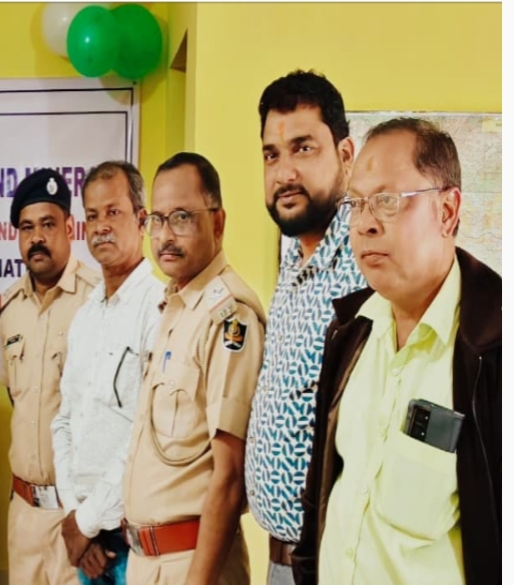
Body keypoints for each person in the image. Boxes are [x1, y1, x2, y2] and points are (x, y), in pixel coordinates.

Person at [293, 118, 500, 585]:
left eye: (387, 201)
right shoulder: (349, 332)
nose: (365, 224)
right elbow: (322, 495)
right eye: (355, 204)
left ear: (447, 211)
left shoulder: (492, 349)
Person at [243, 70, 367, 585]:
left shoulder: (366, 263)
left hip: (333, 564)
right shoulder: (294, 260)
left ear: (345, 155)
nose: (284, 172)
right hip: (282, 560)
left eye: (303, 148)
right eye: (271, 155)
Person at [121, 152, 266, 585]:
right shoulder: (177, 306)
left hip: (193, 564)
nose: (165, 235)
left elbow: (229, 475)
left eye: (182, 218)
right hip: (148, 563)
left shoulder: (229, 317)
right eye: (157, 219)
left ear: (217, 223)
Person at [51, 161, 164, 585]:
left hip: (132, 538)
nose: (101, 227)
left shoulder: (157, 309)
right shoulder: (85, 316)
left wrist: (86, 521)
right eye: (93, 215)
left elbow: (144, 434)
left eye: (113, 213)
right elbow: (64, 420)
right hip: (87, 537)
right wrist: (75, 517)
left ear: (141, 220)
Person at [0, 169, 99, 585]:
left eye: (47, 225)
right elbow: (17, 398)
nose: (37, 237)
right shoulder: (9, 308)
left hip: (77, 515)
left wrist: (93, 520)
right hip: (24, 513)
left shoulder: (98, 299)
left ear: (69, 228)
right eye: (27, 228)